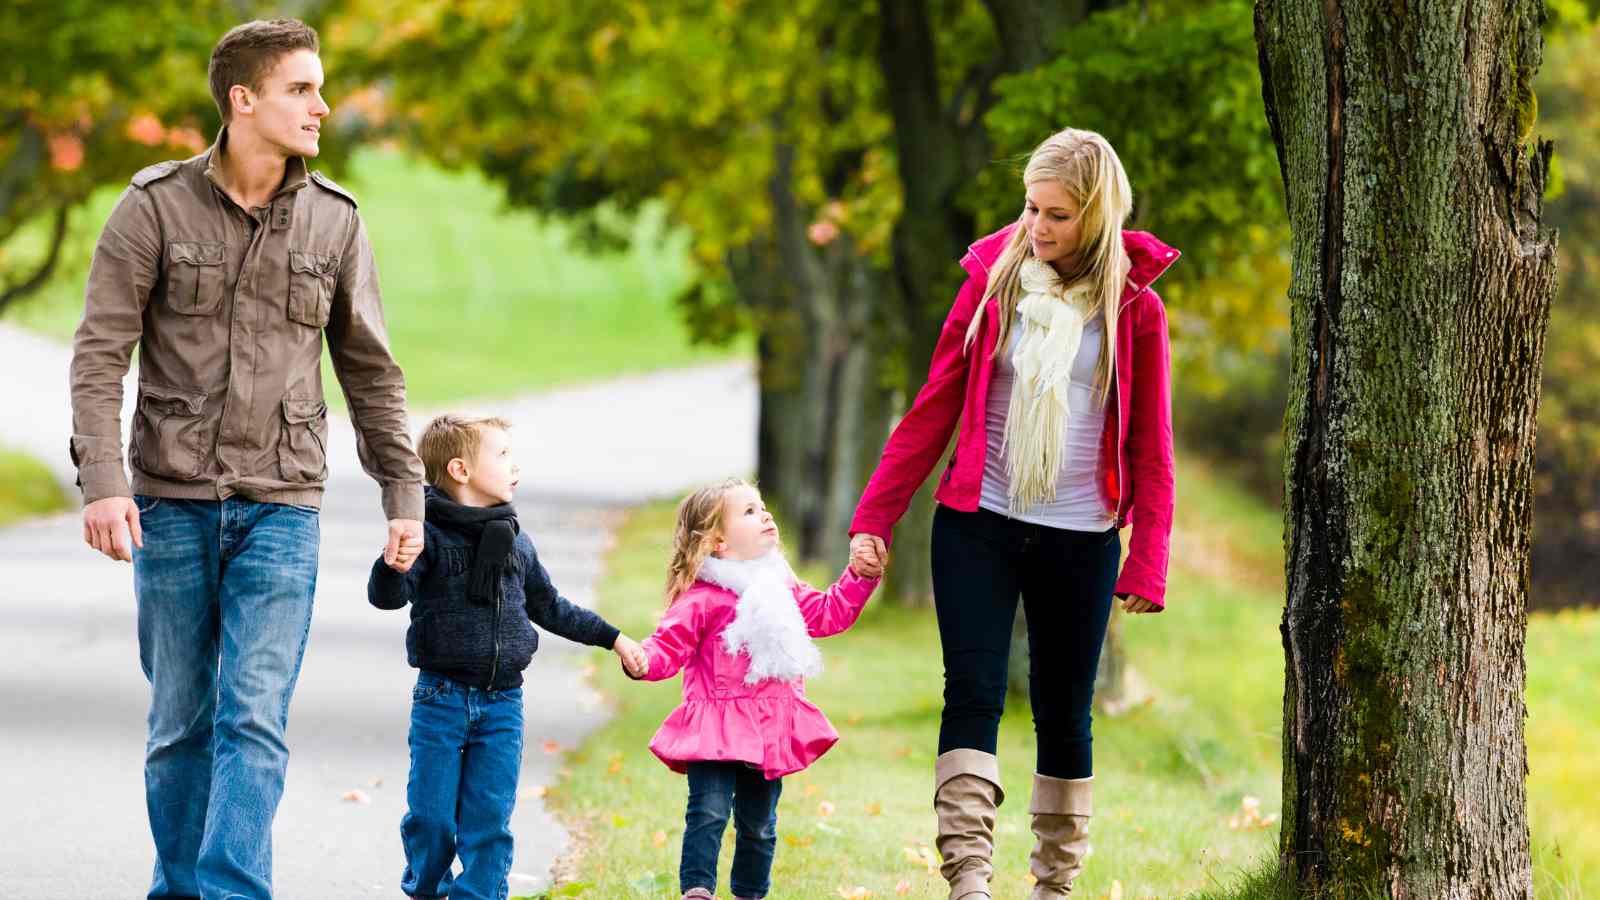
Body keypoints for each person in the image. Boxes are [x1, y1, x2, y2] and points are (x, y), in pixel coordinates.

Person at [67, 18, 427, 899]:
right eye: (301, 88)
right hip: (171, 504)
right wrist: (105, 485)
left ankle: (230, 892)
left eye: (319, 88)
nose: (322, 106)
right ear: (244, 100)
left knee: (254, 717)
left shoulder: (336, 222)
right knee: (180, 726)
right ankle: (181, 888)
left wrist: (405, 493)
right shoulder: (152, 207)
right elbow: (98, 355)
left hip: (284, 504)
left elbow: (371, 371)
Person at [848, 127, 1178, 899]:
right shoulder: (993, 284)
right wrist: (875, 517)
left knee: (1066, 712)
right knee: (972, 692)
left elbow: (1152, 447)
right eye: (1031, 208)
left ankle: (1054, 887)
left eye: (1058, 215)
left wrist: (1149, 556)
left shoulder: (1135, 307)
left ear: (1097, 215)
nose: (1037, 228)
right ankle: (969, 881)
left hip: (1082, 537)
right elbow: (932, 408)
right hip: (979, 523)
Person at [368, 413, 649, 900]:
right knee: (432, 818)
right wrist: (392, 565)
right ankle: (427, 889)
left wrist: (614, 638)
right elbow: (388, 597)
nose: (514, 466)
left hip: (503, 705)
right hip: (441, 698)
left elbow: (550, 606)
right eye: (502, 456)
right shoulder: (427, 535)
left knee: (488, 820)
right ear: (460, 470)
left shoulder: (515, 539)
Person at [631, 480, 883, 900]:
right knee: (708, 813)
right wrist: (642, 660)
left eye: (763, 507)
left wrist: (859, 576)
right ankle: (698, 890)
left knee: (759, 824)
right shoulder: (702, 599)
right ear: (718, 544)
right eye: (749, 511)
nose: (765, 515)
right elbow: (667, 647)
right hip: (714, 726)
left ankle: (749, 893)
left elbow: (827, 614)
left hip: (767, 726)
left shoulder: (781, 587)